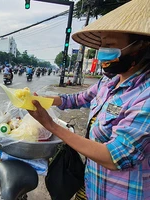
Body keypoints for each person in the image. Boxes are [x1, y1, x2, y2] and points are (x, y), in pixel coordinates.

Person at [28, 0, 150, 199]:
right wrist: (45, 101)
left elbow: (114, 157)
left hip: (122, 192)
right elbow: (78, 99)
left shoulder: (145, 95)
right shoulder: (108, 82)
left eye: (110, 45)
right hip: (92, 183)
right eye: (101, 46)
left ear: (139, 47)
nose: (102, 52)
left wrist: (50, 124)